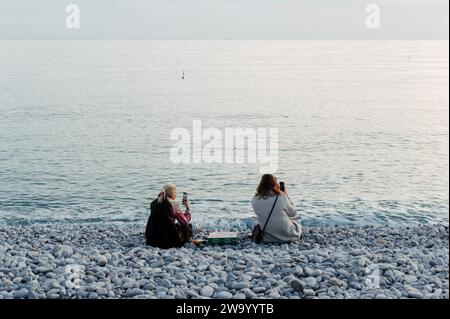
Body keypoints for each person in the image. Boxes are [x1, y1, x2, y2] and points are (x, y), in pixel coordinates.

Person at [250, 174, 301, 243]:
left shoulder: (255, 199)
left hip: (268, 237)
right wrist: (285, 195)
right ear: (275, 183)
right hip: (288, 236)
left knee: (254, 221)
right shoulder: (281, 197)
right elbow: (293, 213)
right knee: (295, 219)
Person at [145, 183, 193, 248]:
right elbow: (185, 222)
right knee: (188, 227)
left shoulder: (154, 202)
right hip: (167, 240)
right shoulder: (174, 204)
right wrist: (187, 208)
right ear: (173, 194)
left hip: (151, 238)